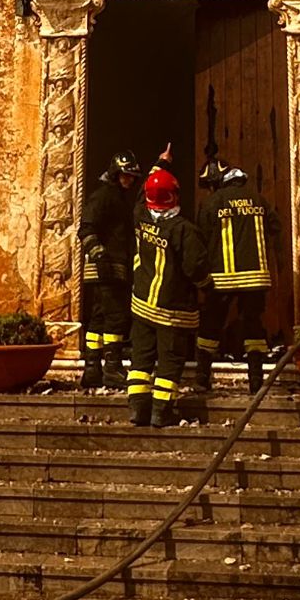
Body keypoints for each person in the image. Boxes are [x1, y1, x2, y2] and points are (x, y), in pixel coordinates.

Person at [128, 155, 209, 428]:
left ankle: (138, 410)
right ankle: (161, 411)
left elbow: (142, 196)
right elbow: (195, 267)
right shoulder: (184, 230)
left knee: (140, 358)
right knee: (169, 362)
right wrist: (207, 287)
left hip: (141, 304)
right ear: (174, 196)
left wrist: (159, 165)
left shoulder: (140, 217)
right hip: (172, 310)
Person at [196, 165, 280, 394]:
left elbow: (200, 236)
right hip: (255, 278)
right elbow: (275, 226)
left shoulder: (213, 203)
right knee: (253, 327)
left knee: (210, 326)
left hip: (222, 278)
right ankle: (255, 380)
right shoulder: (258, 200)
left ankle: (202, 378)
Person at [76, 148, 141, 389]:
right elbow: (86, 228)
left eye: (132, 177)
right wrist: (99, 253)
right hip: (106, 267)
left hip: (109, 267)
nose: (130, 180)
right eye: (126, 175)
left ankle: (93, 368)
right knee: (115, 317)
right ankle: (112, 368)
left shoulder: (116, 196)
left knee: (98, 318)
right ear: (115, 173)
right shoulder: (104, 196)